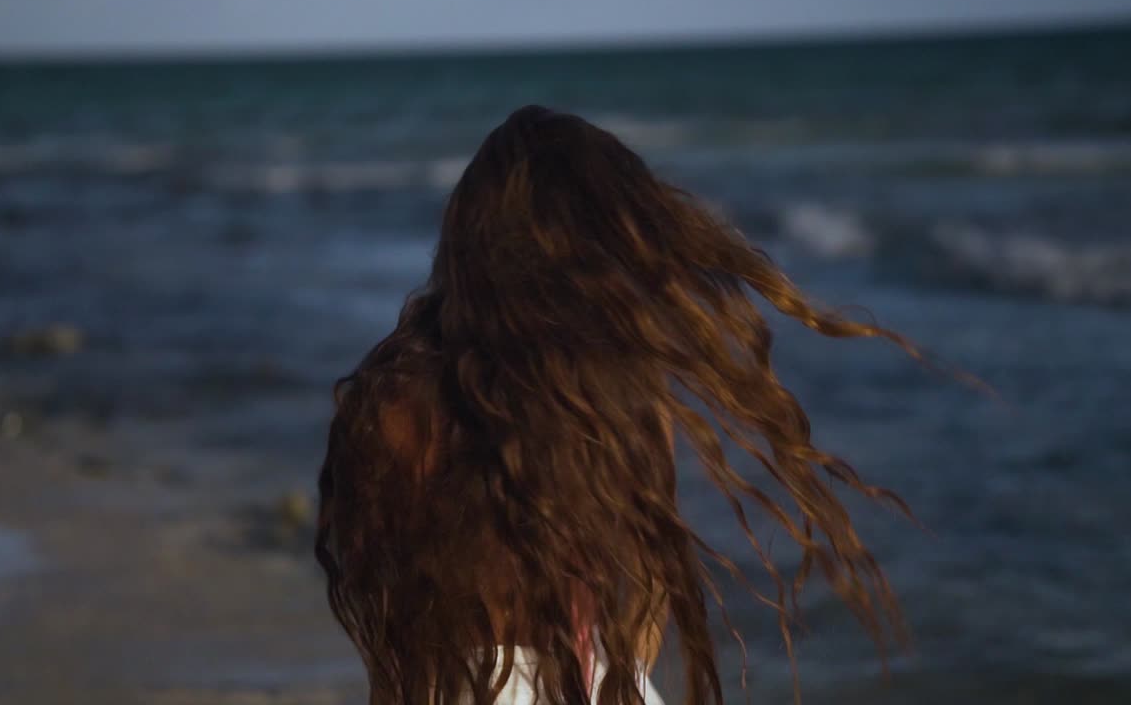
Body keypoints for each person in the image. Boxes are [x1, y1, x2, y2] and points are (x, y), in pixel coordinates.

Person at [315, 104, 926, 705]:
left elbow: (385, 625)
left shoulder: (389, 404)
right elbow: (640, 626)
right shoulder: (610, 403)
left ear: (464, 246)